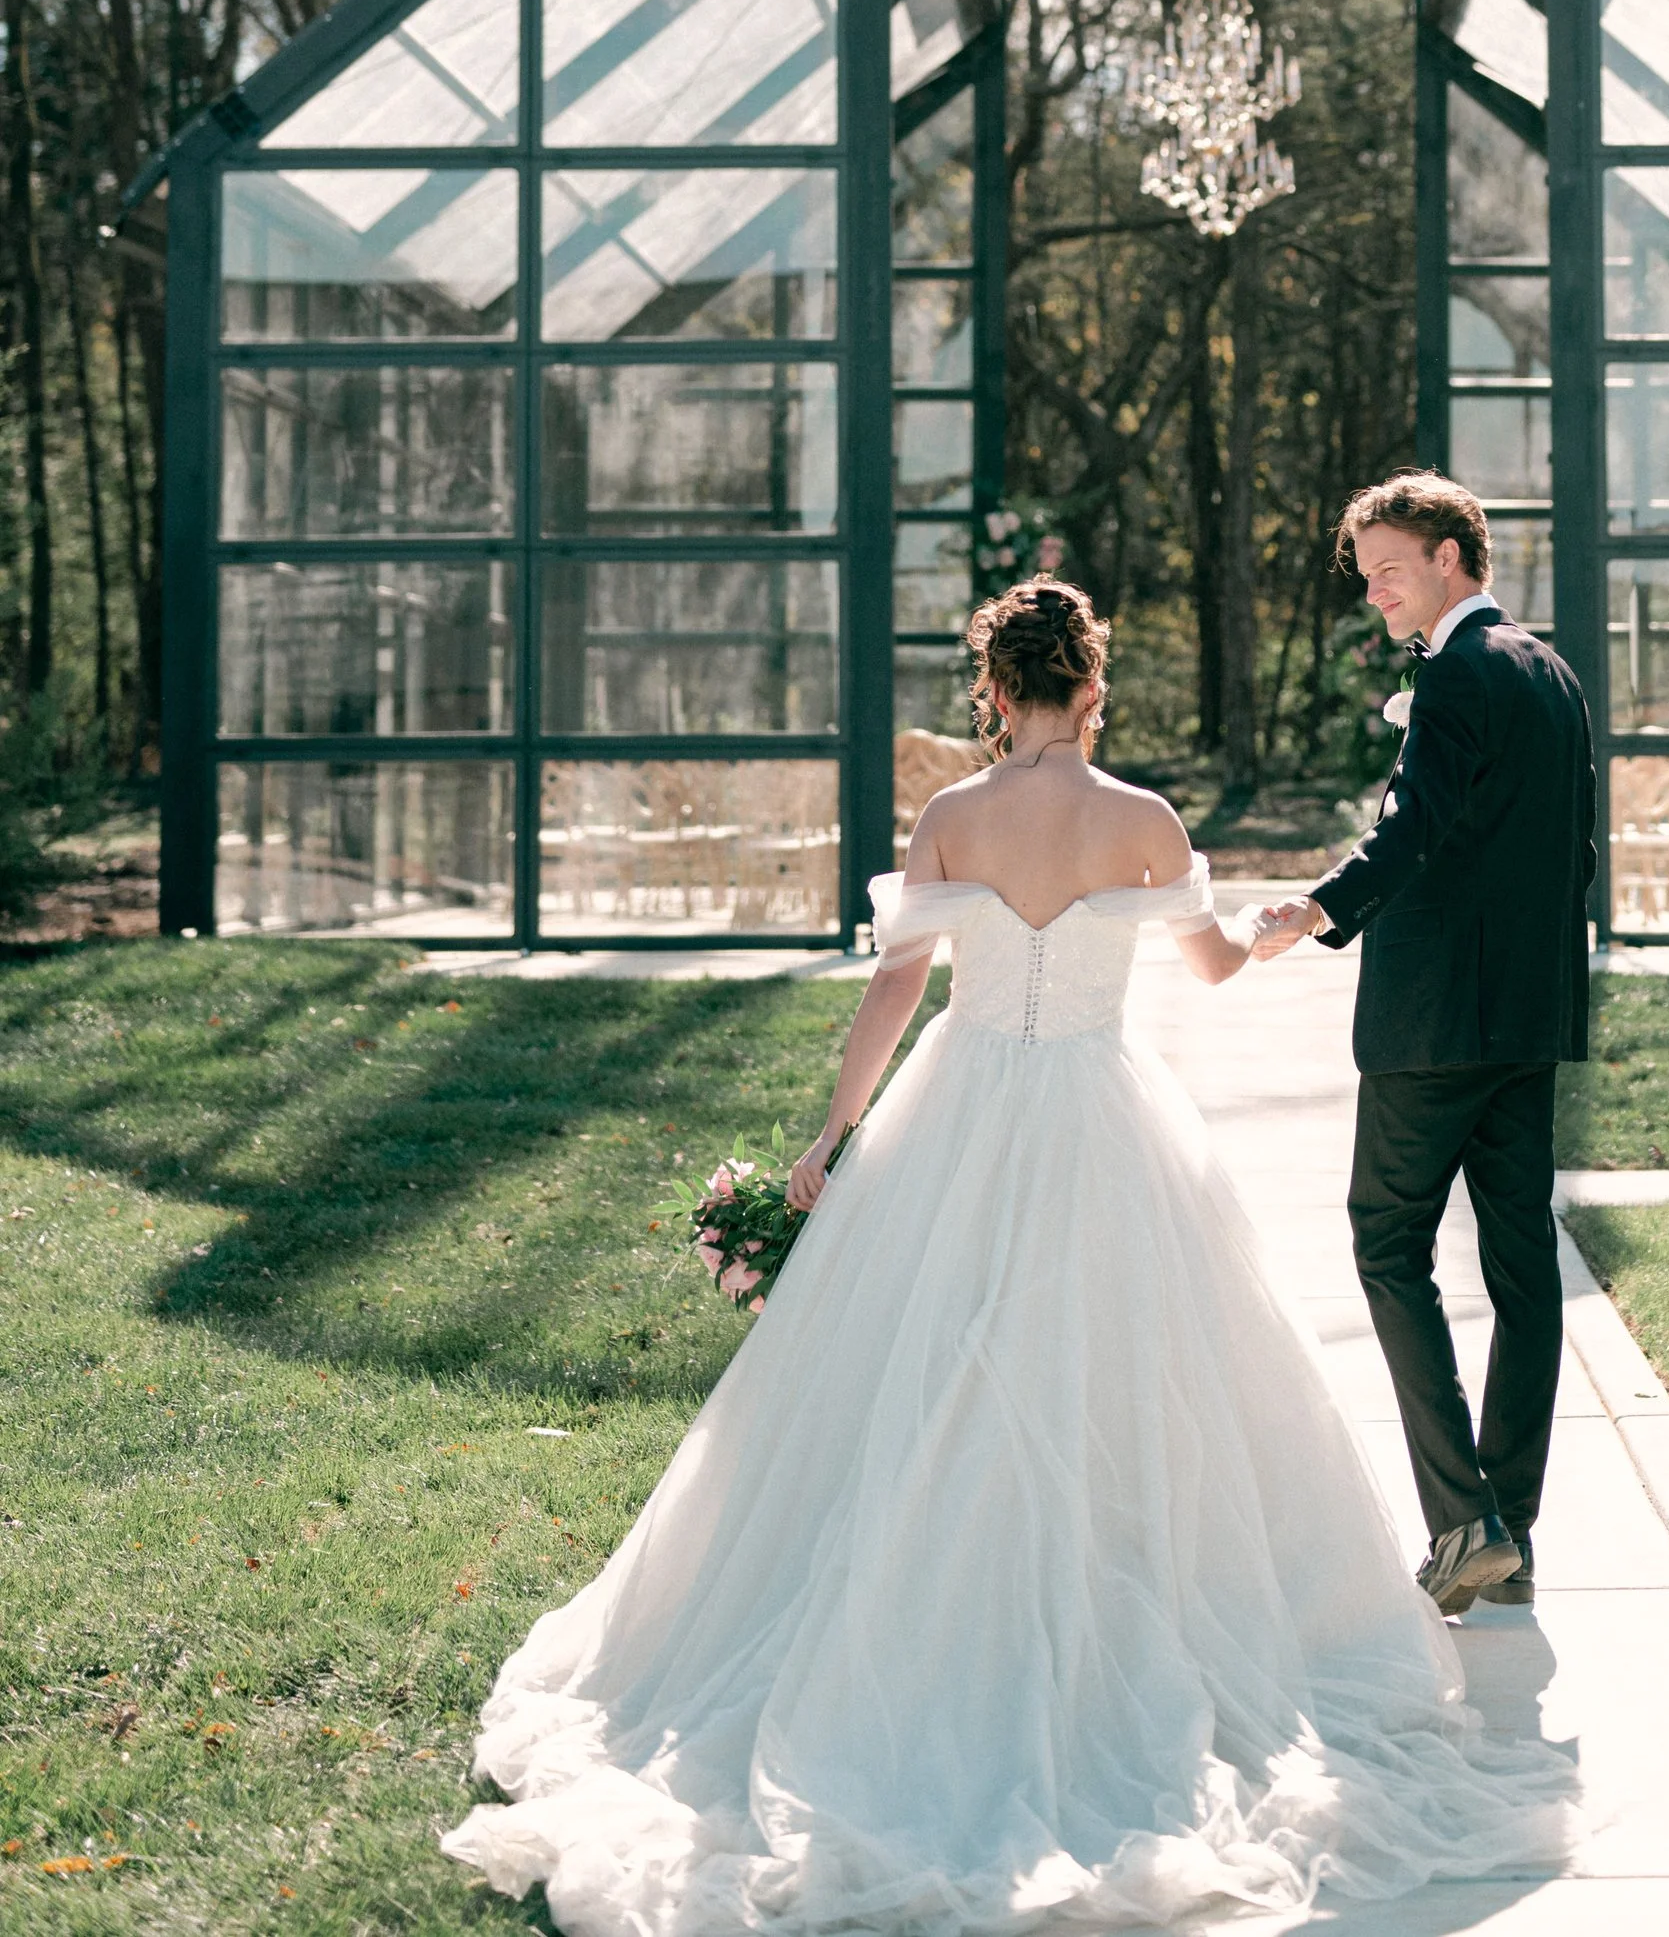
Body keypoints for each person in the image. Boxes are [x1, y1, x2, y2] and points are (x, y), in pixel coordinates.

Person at [444, 575, 1570, 1937]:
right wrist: (1281, 920)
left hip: (961, 1111)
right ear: (1092, 686)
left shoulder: (951, 817)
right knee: (1130, 1382)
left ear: (994, 691)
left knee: (928, 1366)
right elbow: (1208, 969)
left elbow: (899, 985)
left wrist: (830, 1136)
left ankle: (924, 1630)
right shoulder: (1145, 820)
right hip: (1104, 1114)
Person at [1251, 475, 1597, 1620]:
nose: (1376, 592)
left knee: (1387, 1241)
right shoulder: (1549, 673)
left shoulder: (1453, 673)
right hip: (1525, 1021)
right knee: (1519, 1264)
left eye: (1390, 568)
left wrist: (1316, 906)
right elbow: (1568, 857)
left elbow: (1415, 825)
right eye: (1367, 575)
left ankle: (1463, 1520)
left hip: (1434, 1027)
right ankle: (1513, 1528)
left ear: (1455, 557)